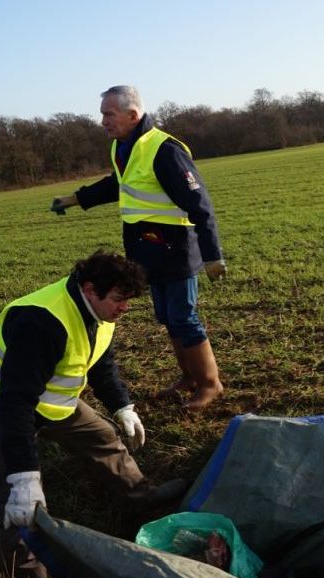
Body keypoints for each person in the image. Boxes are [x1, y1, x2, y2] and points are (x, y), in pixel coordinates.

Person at [0, 251, 188, 578]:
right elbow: (14, 404)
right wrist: (24, 477)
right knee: (20, 507)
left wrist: (122, 406)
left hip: (50, 401)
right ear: (90, 289)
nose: (125, 308)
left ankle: (142, 498)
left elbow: (100, 361)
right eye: (119, 299)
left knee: (103, 440)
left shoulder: (99, 311)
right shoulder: (41, 323)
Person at [50, 85, 224, 409]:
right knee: (167, 316)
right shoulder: (123, 147)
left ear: (132, 115)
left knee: (183, 317)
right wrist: (75, 199)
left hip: (176, 249)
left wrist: (213, 254)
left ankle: (210, 384)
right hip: (146, 252)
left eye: (108, 114)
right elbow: (118, 184)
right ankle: (188, 378)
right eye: (102, 114)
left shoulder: (164, 149)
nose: (102, 121)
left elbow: (200, 203)